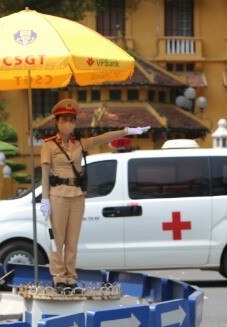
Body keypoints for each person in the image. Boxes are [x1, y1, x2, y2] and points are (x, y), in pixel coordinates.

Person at [40, 98, 150, 292]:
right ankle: (59, 278)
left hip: (77, 196)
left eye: (72, 119)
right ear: (57, 121)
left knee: (72, 241)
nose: (69, 123)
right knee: (57, 240)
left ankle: (71, 278)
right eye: (65, 119)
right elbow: (44, 174)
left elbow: (103, 138)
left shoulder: (80, 144)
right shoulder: (48, 146)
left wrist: (127, 131)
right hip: (57, 195)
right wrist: (45, 199)